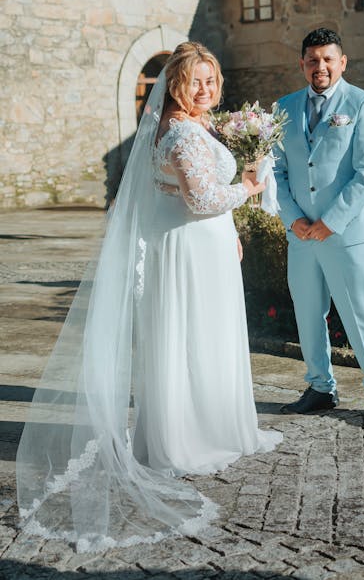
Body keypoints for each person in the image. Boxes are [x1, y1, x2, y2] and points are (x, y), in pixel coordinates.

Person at [16, 41, 282, 553]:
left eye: (212, 80)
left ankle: (206, 425)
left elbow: (199, 198)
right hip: (188, 251)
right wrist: (248, 190)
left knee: (199, 338)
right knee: (193, 339)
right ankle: (184, 439)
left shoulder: (194, 124)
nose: (206, 89)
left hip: (199, 246)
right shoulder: (182, 131)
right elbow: (201, 198)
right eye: (196, 81)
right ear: (176, 84)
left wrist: (231, 229)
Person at [274, 28, 364, 427]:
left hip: (347, 233)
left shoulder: (363, 104)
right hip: (300, 234)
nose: (319, 66)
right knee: (307, 312)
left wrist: (330, 222)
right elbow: (276, 171)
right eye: (312, 59)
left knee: (362, 312)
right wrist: (293, 219)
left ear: (342, 62)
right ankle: (320, 387)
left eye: (327, 59)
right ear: (302, 64)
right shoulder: (283, 108)